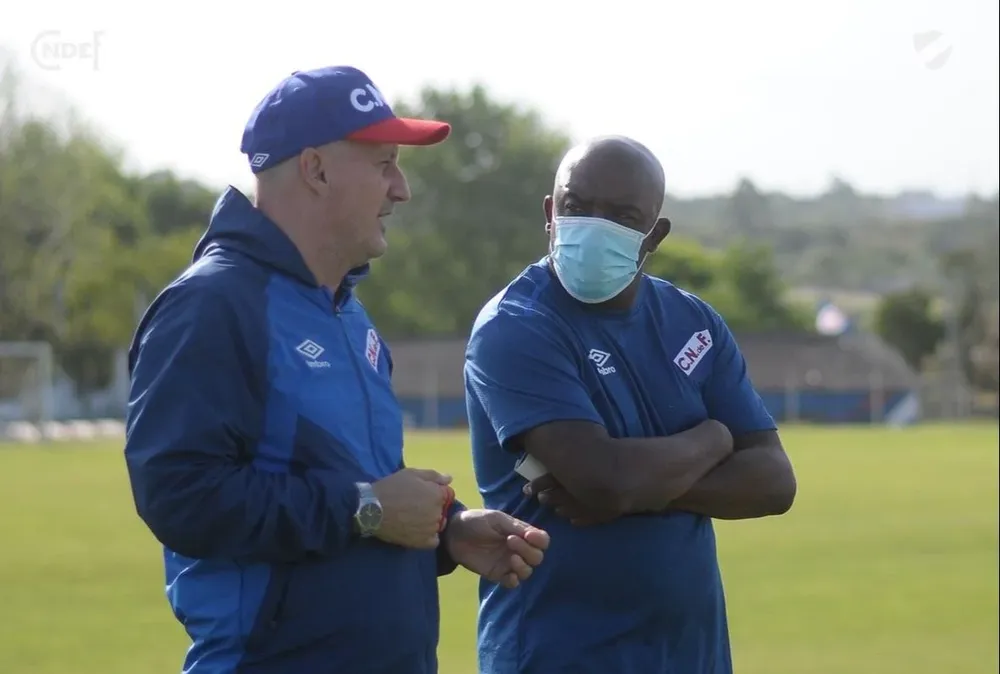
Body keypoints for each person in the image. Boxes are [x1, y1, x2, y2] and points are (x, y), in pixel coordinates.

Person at [123, 65, 550, 674]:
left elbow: (356, 483)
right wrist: (369, 509)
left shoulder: (346, 311)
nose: (400, 189)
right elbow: (179, 495)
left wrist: (446, 529)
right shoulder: (213, 306)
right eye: (384, 165)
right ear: (315, 170)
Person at [464, 135, 797, 674]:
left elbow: (774, 482)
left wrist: (641, 489)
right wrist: (711, 438)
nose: (593, 226)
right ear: (551, 212)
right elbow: (607, 482)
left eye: (620, 216)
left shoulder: (694, 322)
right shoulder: (516, 327)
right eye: (577, 207)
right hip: (556, 653)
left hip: (690, 655)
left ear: (653, 234)